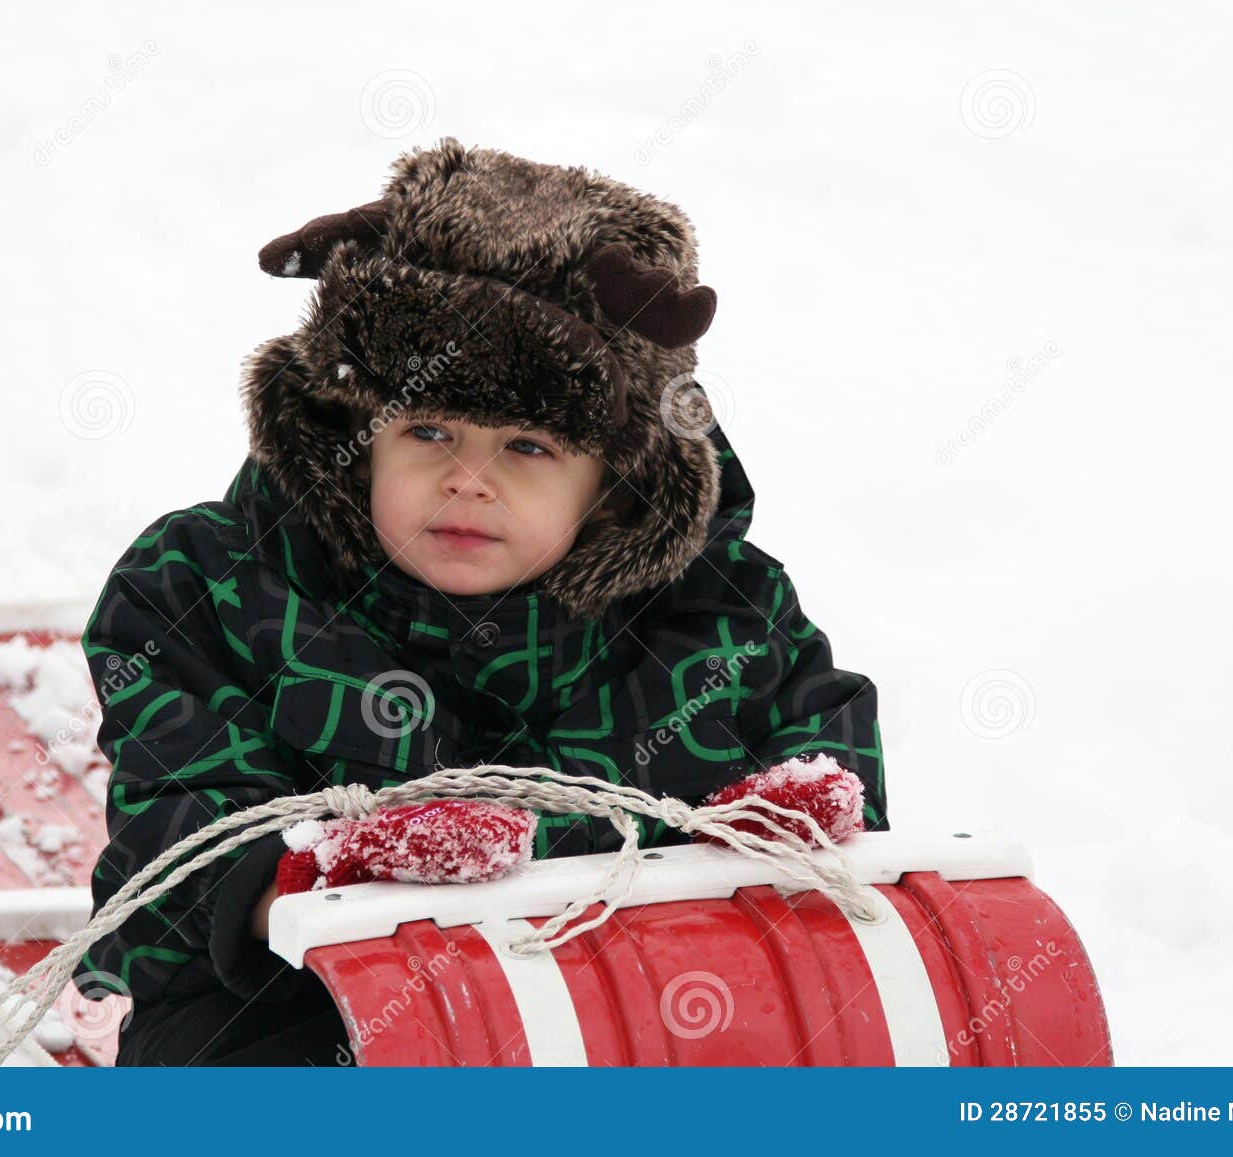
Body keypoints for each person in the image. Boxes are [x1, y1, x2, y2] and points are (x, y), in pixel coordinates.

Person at [73, 138, 888, 1066]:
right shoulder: (212, 587)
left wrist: (784, 825)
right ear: (355, 430)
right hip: (300, 1008)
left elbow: (821, 738)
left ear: (615, 482)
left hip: (637, 1006)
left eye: (528, 447)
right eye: (427, 430)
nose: (468, 479)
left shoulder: (722, 618)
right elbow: (175, 828)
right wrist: (315, 877)